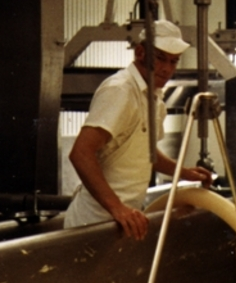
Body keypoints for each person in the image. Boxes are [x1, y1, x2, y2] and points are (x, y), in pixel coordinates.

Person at [64, 20, 212, 240]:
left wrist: (185, 172)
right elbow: (81, 153)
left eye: (173, 61)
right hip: (92, 222)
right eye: (161, 58)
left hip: (122, 221)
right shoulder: (120, 90)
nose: (167, 69)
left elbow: (148, 154)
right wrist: (118, 208)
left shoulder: (154, 99)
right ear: (140, 52)